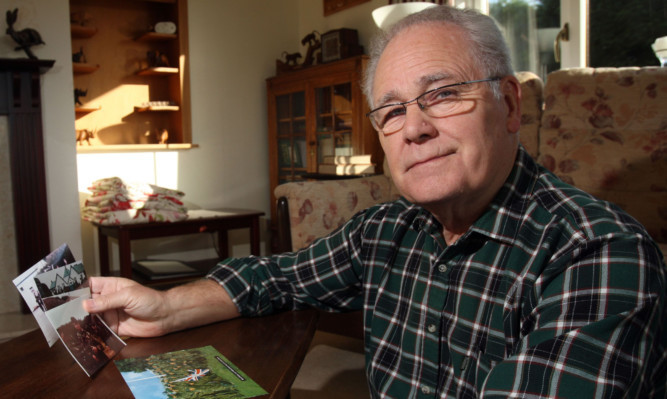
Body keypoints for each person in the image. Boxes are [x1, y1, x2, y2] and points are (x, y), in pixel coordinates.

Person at [84, 5, 666, 397]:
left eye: (442, 94)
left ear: (510, 106)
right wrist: (166, 307)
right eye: (391, 112)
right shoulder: (385, 230)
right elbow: (277, 278)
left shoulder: (598, 254)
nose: (413, 129)